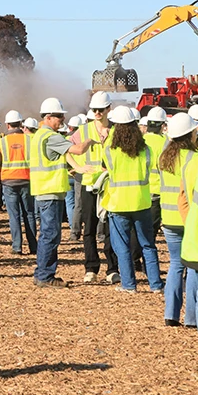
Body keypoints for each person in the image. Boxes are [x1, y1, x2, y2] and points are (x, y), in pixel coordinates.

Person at [31, 98, 93, 288]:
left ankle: (43, 273)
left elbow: (64, 155)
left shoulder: (40, 136)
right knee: (50, 235)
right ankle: (45, 275)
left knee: (48, 234)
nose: (62, 119)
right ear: (48, 117)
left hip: (45, 190)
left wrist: (78, 168)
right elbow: (78, 150)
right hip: (50, 191)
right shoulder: (51, 137)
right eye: (59, 116)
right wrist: (91, 139)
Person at [102, 106, 162, 293]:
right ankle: (156, 285)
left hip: (118, 203)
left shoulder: (109, 151)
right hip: (142, 202)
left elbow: (105, 170)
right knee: (148, 245)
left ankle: (129, 285)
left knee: (123, 247)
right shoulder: (147, 150)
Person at [71, 91, 120, 284]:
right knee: (89, 227)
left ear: (108, 109)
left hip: (110, 184)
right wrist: (77, 168)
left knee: (110, 228)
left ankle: (112, 268)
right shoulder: (83, 130)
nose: (97, 113)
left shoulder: (117, 130)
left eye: (100, 109)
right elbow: (66, 149)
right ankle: (91, 268)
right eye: (94, 110)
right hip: (89, 184)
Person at [158, 113, 198, 326]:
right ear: (189, 134)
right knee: (192, 267)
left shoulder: (164, 157)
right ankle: (191, 318)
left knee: (175, 264)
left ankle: (170, 314)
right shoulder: (195, 158)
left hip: (168, 217)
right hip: (188, 216)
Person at [0, 110, 37, 255]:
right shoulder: (30, 140)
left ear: (7, 125)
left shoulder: (1, 141)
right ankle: (33, 246)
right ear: (21, 124)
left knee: (14, 215)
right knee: (29, 214)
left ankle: (17, 247)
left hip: (8, 181)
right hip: (27, 180)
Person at [137, 106, 168, 271]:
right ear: (163, 125)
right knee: (151, 232)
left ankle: (135, 260)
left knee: (138, 229)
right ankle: (147, 265)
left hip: (141, 190)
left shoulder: (140, 141)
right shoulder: (166, 143)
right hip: (157, 191)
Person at [65, 115, 85, 242]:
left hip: (70, 174)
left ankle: (74, 230)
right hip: (82, 173)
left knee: (72, 203)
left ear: (70, 127)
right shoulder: (84, 138)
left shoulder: (66, 139)